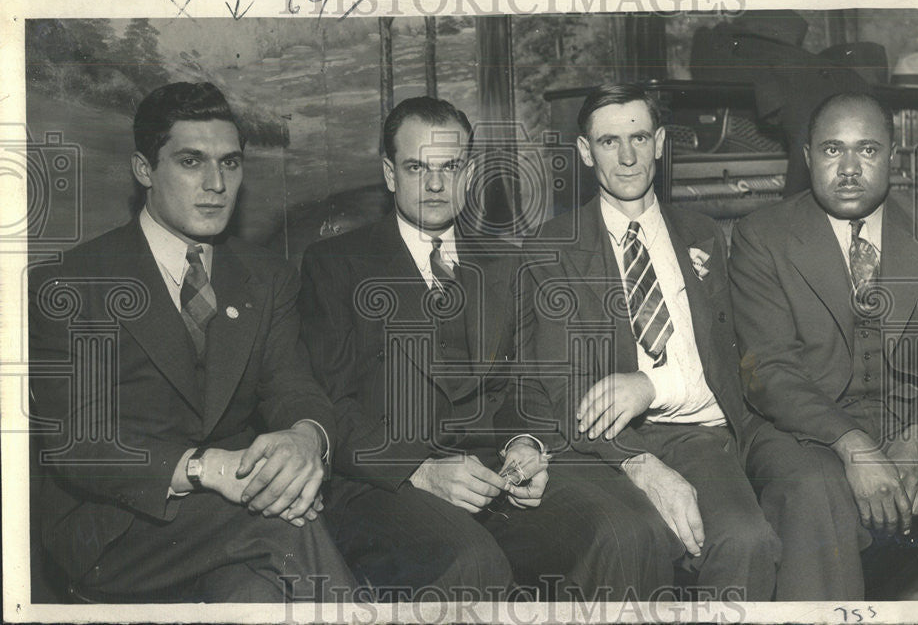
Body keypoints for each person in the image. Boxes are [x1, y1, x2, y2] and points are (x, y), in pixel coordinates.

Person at [298, 96, 677, 601]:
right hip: (386, 483)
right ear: (389, 174)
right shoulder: (336, 265)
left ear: (470, 172)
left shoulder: (505, 262)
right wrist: (419, 470)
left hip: (494, 474)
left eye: (450, 167)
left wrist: (527, 447)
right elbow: (328, 407)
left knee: (627, 531)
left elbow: (526, 388)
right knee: (471, 561)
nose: (435, 184)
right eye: (416, 167)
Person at [28, 82, 355, 603]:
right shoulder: (70, 282)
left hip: (236, 516)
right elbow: (80, 442)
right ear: (144, 170)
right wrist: (206, 468)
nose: (215, 183)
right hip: (115, 527)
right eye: (190, 161)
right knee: (287, 526)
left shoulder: (266, 277)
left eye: (229, 164)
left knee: (258, 595)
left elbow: (294, 386)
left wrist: (305, 438)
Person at [518, 83, 793, 601]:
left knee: (747, 541)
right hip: (604, 444)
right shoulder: (555, 245)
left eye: (639, 138)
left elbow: (728, 360)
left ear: (661, 142)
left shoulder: (703, 233)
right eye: (607, 142)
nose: (626, 158)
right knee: (630, 543)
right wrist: (643, 466)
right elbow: (561, 386)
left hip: (697, 434)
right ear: (584, 152)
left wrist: (653, 384)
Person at [730, 91, 918, 590]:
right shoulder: (762, 236)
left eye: (866, 150)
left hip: (915, 419)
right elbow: (769, 370)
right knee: (812, 489)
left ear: (892, 156)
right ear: (806, 157)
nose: (848, 168)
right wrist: (852, 444)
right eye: (830, 150)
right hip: (804, 431)